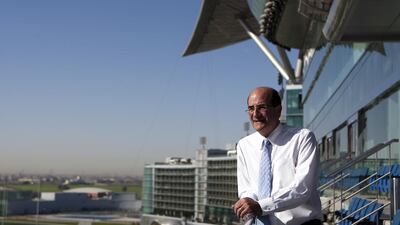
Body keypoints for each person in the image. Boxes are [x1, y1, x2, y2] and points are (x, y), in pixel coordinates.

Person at [233, 87, 322, 225]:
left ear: (278, 110)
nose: (255, 114)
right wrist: (248, 203)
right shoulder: (244, 145)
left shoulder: (302, 138)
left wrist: (261, 206)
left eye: (262, 107)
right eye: (251, 108)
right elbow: (246, 189)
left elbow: (302, 189)